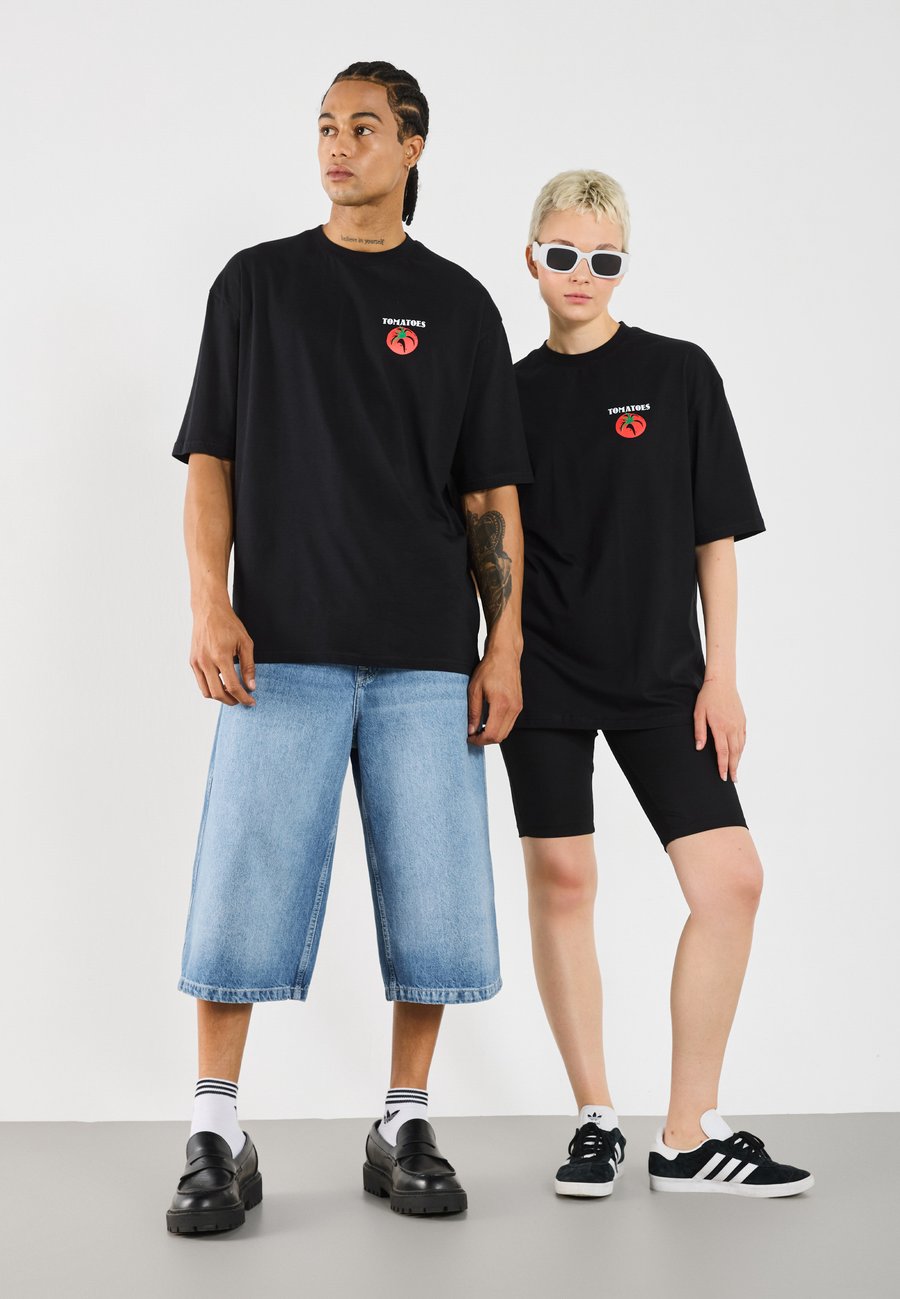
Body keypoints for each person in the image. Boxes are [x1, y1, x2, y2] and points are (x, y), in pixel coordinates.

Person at [165, 61, 532, 1235]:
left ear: (413, 146)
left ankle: (403, 1121)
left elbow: (490, 495)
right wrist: (209, 603)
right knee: (243, 882)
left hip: (427, 656)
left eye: (363, 127)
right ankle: (216, 1127)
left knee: (435, 901)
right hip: (281, 649)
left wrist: (505, 645)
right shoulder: (256, 285)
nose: (337, 145)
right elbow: (211, 459)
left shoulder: (461, 306)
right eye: (326, 126)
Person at [499, 169, 814, 1199]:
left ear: (624, 265)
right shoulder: (505, 393)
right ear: (532, 259)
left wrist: (722, 675)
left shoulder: (679, 373)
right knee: (564, 882)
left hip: (663, 678)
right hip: (542, 675)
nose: (581, 274)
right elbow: (487, 540)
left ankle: (688, 1133)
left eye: (604, 259)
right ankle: (597, 1117)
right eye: (562, 254)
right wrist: (496, 657)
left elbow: (715, 536)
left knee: (731, 881)